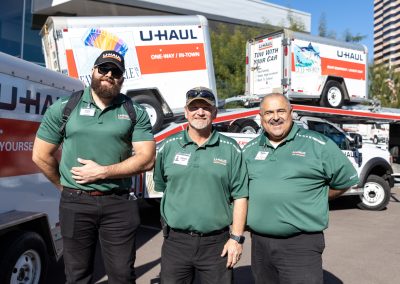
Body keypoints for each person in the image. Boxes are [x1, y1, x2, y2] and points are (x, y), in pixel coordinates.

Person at [32, 50, 156, 284]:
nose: (109, 74)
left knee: (122, 276)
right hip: (75, 202)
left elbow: (147, 158)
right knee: (77, 276)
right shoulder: (66, 107)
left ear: (122, 78)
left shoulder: (133, 111)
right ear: (93, 71)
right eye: (104, 69)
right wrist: (63, 186)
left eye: (116, 71)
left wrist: (104, 171)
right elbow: (40, 155)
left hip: (118, 203)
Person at [243, 93, 360, 284]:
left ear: (292, 112)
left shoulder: (318, 144)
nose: (275, 117)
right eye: (269, 112)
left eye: (281, 111)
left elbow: (345, 180)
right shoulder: (250, 149)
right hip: (260, 244)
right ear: (261, 117)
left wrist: (318, 197)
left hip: (301, 244)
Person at [153, 86, 248, 284]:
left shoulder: (231, 150)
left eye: (205, 107)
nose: (200, 112)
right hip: (176, 243)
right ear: (186, 112)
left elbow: (240, 196)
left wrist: (236, 238)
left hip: (216, 244)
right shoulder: (169, 147)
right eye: (194, 107)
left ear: (214, 112)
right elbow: (162, 185)